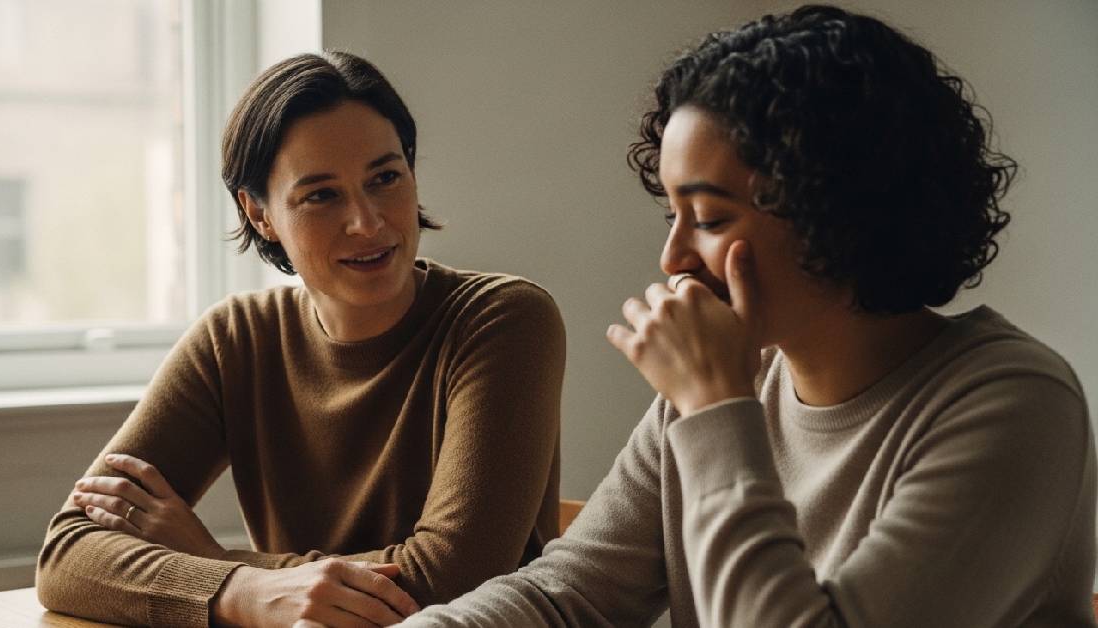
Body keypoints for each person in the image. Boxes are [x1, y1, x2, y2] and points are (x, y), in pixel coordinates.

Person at [401, 5, 1096, 627]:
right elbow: (569, 595)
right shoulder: (733, 382)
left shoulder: (1015, 405)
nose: (674, 257)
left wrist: (714, 408)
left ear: (836, 212)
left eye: (706, 217)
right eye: (672, 214)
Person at [35, 51, 566, 628]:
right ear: (259, 214)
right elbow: (66, 555)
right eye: (321, 195)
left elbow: (450, 578)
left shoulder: (502, 320)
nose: (367, 222)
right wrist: (240, 591)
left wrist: (213, 562)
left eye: (385, 178)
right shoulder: (234, 339)